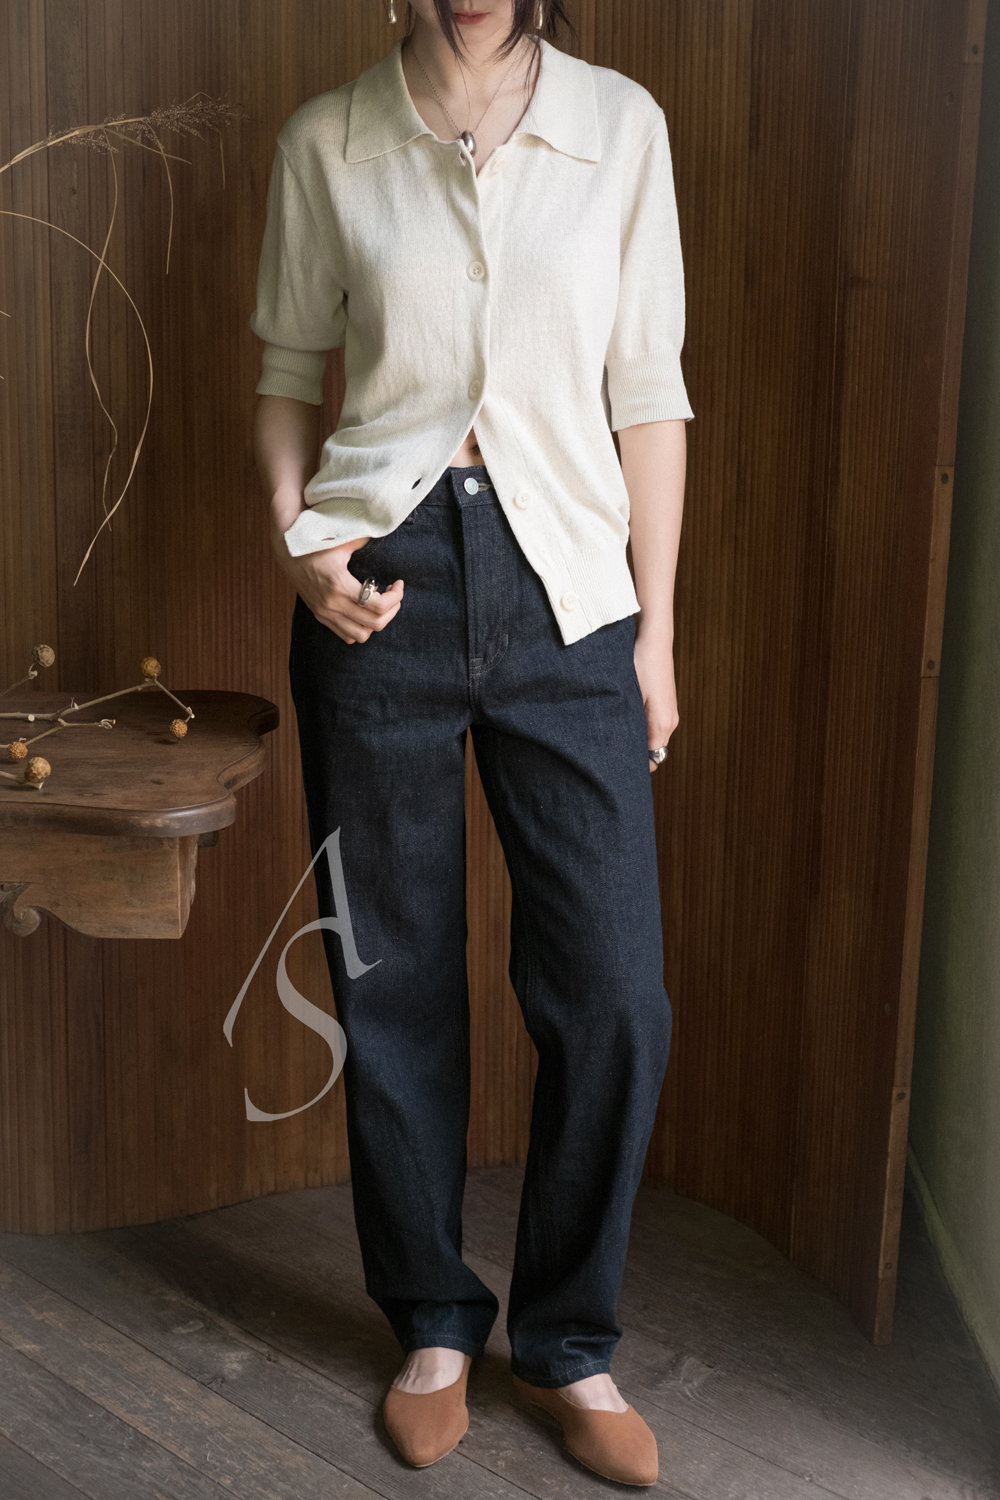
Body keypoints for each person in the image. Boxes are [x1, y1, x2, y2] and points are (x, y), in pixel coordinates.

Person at [250, 0, 692, 1485]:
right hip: (379, 588)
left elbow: (651, 397)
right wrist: (301, 547)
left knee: (616, 993)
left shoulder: (621, 129)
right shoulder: (328, 142)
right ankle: (433, 1321)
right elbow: (287, 374)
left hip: (573, 590)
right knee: (392, 980)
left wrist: (656, 635)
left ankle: (569, 1339)